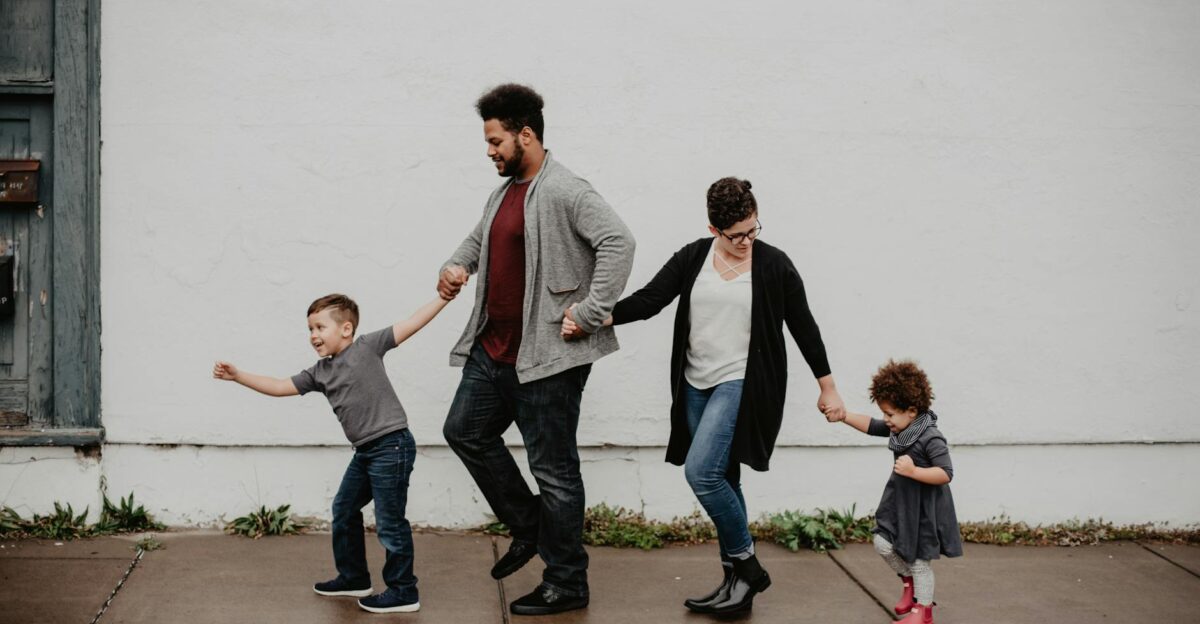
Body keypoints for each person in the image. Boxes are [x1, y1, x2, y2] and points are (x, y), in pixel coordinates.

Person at [563, 177, 846, 614]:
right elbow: (651, 299)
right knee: (725, 479)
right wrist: (593, 318)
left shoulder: (774, 265)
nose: (747, 241)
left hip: (742, 383)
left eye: (754, 230)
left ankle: (748, 567)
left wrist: (827, 386)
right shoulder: (695, 256)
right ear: (715, 229)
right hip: (695, 384)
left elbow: (804, 326)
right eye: (737, 235)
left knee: (702, 474)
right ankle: (736, 586)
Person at [438, 83, 635, 616]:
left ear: (526, 134)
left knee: (555, 471)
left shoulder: (566, 190)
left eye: (496, 140)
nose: (490, 151)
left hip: (546, 359)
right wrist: (456, 266)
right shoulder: (503, 192)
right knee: (464, 431)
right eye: (488, 141)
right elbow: (479, 240)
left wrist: (591, 312)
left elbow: (620, 242)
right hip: (493, 351)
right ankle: (529, 528)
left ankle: (567, 581)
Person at [213, 292, 450, 614]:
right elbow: (280, 386)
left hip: (392, 446)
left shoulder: (368, 346)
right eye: (310, 329)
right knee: (344, 508)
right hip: (365, 452)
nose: (313, 335)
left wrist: (443, 298)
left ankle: (404, 590)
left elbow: (412, 322)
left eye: (320, 327)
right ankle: (354, 577)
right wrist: (238, 376)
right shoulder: (320, 372)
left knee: (390, 522)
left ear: (346, 329)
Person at [826, 359, 961, 624]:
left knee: (920, 561)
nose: (886, 420)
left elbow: (946, 473)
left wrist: (915, 472)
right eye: (884, 413)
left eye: (890, 414)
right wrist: (843, 416)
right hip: (901, 504)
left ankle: (923, 611)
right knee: (882, 543)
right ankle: (908, 582)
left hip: (923, 509)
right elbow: (871, 425)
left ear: (911, 410)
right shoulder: (901, 429)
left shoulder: (930, 437)